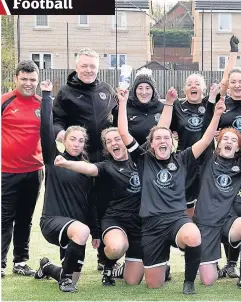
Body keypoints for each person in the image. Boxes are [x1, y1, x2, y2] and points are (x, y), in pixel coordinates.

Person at [117, 87, 223, 294]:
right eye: (158, 138)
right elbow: (123, 132)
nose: (162, 141)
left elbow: (206, 139)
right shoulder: (143, 159)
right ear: (152, 144)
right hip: (151, 225)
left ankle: (189, 282)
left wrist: (217, 114)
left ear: (172, 143)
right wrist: (122, 103)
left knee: (193, 235)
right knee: (153, 284)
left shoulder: (182, 158)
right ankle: (162, 266)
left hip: (176, 219)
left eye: (166, 138)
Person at [53, 127, 145, 287]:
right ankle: (108, 267)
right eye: (108, 142)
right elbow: (89, 168)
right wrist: (67, 163)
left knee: (133, 281)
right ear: (106, 147)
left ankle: (121, 270)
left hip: (139, 224)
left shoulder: (141, 160)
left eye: (117, 139)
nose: (113, 143)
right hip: (116, 220)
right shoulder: (106, 166)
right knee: (117, 247)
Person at [52, 48, 118, 271]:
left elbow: (118, 120)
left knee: (104, 207)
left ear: (98, 68)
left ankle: (105, 259)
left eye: (93, 66)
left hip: (104, 162)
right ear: (76, 66)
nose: (89, 70)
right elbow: (56, 121)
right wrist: (61, 135)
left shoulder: (107, 90)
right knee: (73, 209)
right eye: (84, 66)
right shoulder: (65, 93)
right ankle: (67, 260)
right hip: (76, 160)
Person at [35, 79, 96, 293]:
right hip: (53, 222)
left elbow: (91, 205)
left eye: (81, 140)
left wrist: (96, 232)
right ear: (64, 140)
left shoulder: (87, 168)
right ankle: (64, 280)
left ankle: (47, 267)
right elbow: (45, 128)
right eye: (73, 139)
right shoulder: (54, 158)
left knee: (71, 273)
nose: (76, 143)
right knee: (81, 231)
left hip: (76, 232)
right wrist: (46, 96)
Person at [193, 127, 241, 291]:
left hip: (228, 221)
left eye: (233, 140)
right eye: (225, 139)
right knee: (208, 280)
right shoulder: (207, 160)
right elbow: (204, 139)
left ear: (238, 148)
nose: (229, 142)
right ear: (218, 145)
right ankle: (208, 263)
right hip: (206, 223)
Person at [1, 60, 44, 278]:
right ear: (15, 79)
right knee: (4, 217)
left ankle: (20, 262)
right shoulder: (4, 102)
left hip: (34, 171)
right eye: (24, 79)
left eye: (32, 79)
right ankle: (0, 263)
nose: (28, 83)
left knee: (25, 218)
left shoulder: (42, 103)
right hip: (6, 172)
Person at [157, 74, 211, 215]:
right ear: (184, 89)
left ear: (203, 89)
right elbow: (163, 128)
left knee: (206, 199)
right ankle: (188, 228)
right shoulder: (178, 106)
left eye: (197, 84)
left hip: (207, 160)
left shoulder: (210, 105)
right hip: (185, 161)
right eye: (189, 84)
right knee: (187, 202)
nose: (193, 86)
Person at [113, 68, 164, 145]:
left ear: (153, 90)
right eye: (140, 88)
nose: (144, 92)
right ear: (134, 90)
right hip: (132, 153)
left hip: (156, 154)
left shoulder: (162, 108)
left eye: (147, 88)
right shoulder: (124, 109)